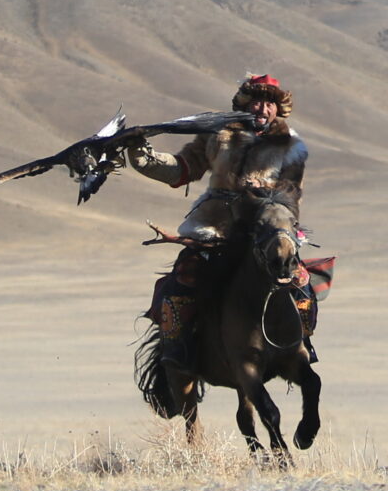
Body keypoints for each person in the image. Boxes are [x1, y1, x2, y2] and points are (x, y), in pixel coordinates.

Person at [129, 73, 310, 349]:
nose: (263, 109)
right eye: (257, 102)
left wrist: (263, 191)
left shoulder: (291, 146)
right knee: (184, 277)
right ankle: (176, 351)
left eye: (270, 104)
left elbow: (292, 193)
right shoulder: (217, 133)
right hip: (215, 225)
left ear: (278, 108)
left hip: (265, 230)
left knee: (300, 282)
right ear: (245, 104)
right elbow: (183, 168)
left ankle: (300, 345)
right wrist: (143, 156)